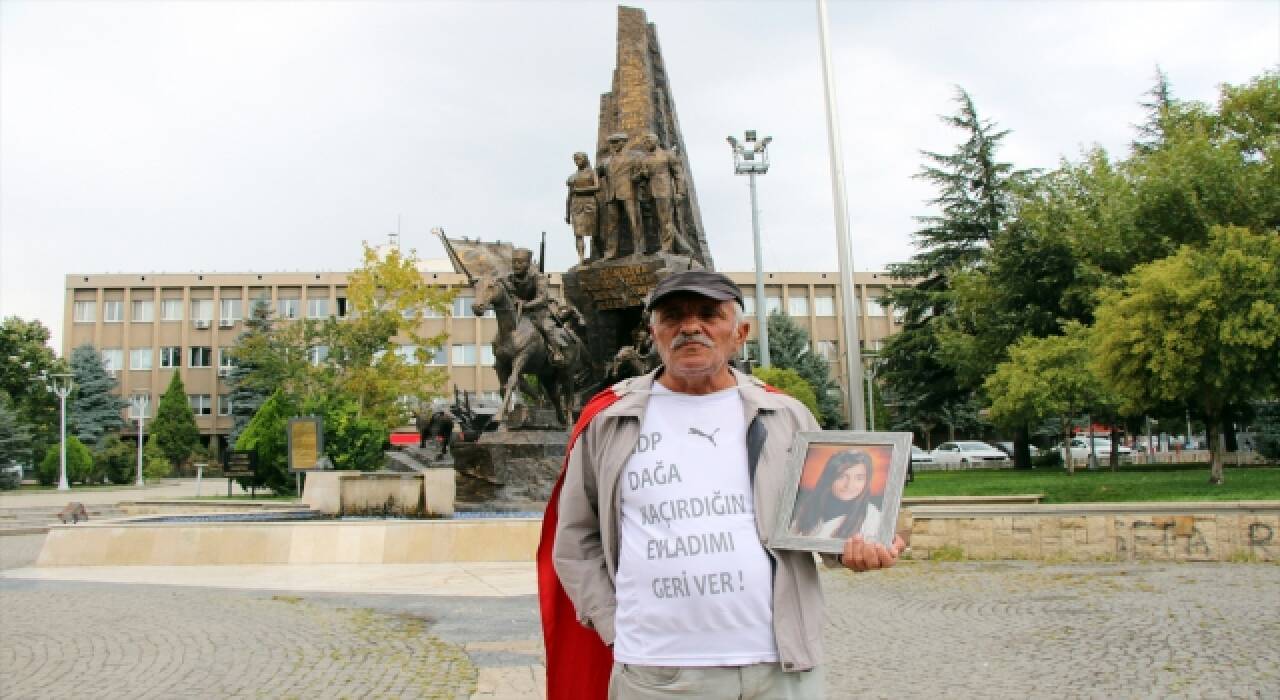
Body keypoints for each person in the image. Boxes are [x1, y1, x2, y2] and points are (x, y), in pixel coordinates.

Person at [539, 269, 905, 700]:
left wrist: (857, 550)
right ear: (653, 333)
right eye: (673, 316)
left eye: (709, 314)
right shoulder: (609, 421)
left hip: (780, 667)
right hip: (658, 671)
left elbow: (822, 519)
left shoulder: (786, 416)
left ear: (740, 333)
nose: (690, 327)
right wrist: (611, 622)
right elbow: (575, 538)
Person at [790, 449, 882, 540]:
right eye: (841, 476)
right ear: (829, 478)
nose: (849, 485)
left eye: (859, 478)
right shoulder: (809, 507)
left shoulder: (871, 514)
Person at [503, 248, 565, 366]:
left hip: (539, 312)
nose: (516, 265)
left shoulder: (538, 277)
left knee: (547, 327)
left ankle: (557, 352)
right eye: (514, 262)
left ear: (528, 264)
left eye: (520, 262)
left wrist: (526, 304)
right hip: (520, 313)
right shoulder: (509, 278)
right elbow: (502, 288)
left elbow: (543, 297)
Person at [634, 133, 684, 254]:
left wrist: (680, 192)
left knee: (665, 220)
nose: (646, 144)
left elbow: (678, 174)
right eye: (645, 142)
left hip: (664, 191)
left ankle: (667, 248)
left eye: (649, 141)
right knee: (654, 221)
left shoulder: (667, 155)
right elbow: (636, 177)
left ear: (656, 141)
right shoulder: (643, 159)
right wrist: (641, 174)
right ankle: (657, 246)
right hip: (649, 193)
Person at [598, 133, 643, 258]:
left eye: (615, 142)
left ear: (623, 142)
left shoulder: (634, 157)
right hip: (611, 194)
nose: (613, 145)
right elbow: (596, 176)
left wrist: (637, 178)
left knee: (634, 221)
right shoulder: (606, 161)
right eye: (611, 143)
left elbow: (642, 172)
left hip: (628, 192)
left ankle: (638, 249)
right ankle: (611, 252)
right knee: (611, 225)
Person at [565, 151, 601, 265]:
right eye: (575, 160)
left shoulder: (592, 172)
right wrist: (567, 214)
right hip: (576, 206)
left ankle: (597, 255)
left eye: (579, 159)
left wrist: (580, 190)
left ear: (585, 159)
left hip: (590, 203)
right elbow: (569, 196)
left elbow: (597, 186)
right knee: (578, 233)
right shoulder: (572, 177)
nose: (577, 162)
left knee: (594, 232)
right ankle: (581, 257)